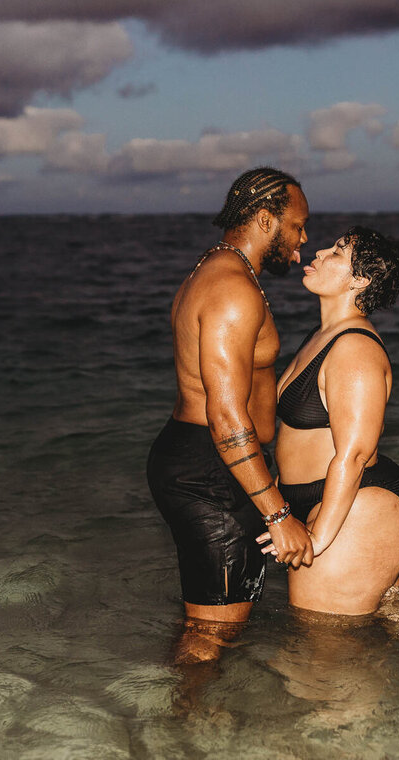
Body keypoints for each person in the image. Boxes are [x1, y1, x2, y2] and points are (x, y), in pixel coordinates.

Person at [146, 167, 314, 660]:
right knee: (211, 634)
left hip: (205, 462)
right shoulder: (231, 289)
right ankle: (183, 708)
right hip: (211, 469)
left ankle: (192, 705)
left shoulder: (217, 270)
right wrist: (278, 513)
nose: (303, 240)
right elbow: (226, 417)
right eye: (297, 226)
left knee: (212, 622)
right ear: (265, 220)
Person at [260, 226, 399, 616]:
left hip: (355, 505)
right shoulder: (323, 335)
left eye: (336, 252)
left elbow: (355, 454)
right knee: (390, 626)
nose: (318, 253)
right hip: (318, 499)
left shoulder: (355, 348)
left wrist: (318, 539)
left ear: (360, 280)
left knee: (323, 641)